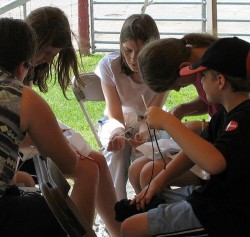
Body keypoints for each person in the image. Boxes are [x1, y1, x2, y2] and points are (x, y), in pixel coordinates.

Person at [0, 17, 120, 237]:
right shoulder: (22, 96)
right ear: (22, 65)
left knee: (25, 181)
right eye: (45, 54)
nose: (46, 61)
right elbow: (71, 166)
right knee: (87, 168)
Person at [121, 37, 250, 237]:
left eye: (204, 76)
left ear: (220, 81)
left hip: (226, 213)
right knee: (141, 211)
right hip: (214, 198)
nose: (201, 81)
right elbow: (195, 151)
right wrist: (156, 183)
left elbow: (215, 162)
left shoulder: (242, 118)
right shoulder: (226, 114)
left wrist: (168, 122)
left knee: (131, 228)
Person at [128, 33, 221, 194]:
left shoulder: (216, 70)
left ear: (184, 67)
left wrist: (199, 127)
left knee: (149, 174)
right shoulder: (199, 66)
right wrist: (182, 109)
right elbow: (211, 103)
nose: (177, 89)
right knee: (135, 170)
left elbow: (233, 118)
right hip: (215, 140)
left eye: (174, 85)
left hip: (225, 150)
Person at [94, 13, 168, 200]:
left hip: (151, 121)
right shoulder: (109, 65)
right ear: (121, 46)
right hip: (117, 120)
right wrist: (117, 133)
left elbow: (153, 113)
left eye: (141, 52)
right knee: (116, 153)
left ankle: (146, 204)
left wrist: (143, 133)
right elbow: (114, 114)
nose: (134, 59)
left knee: (145, 154)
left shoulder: (163, 70)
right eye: (128, 51)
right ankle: (116, 207)